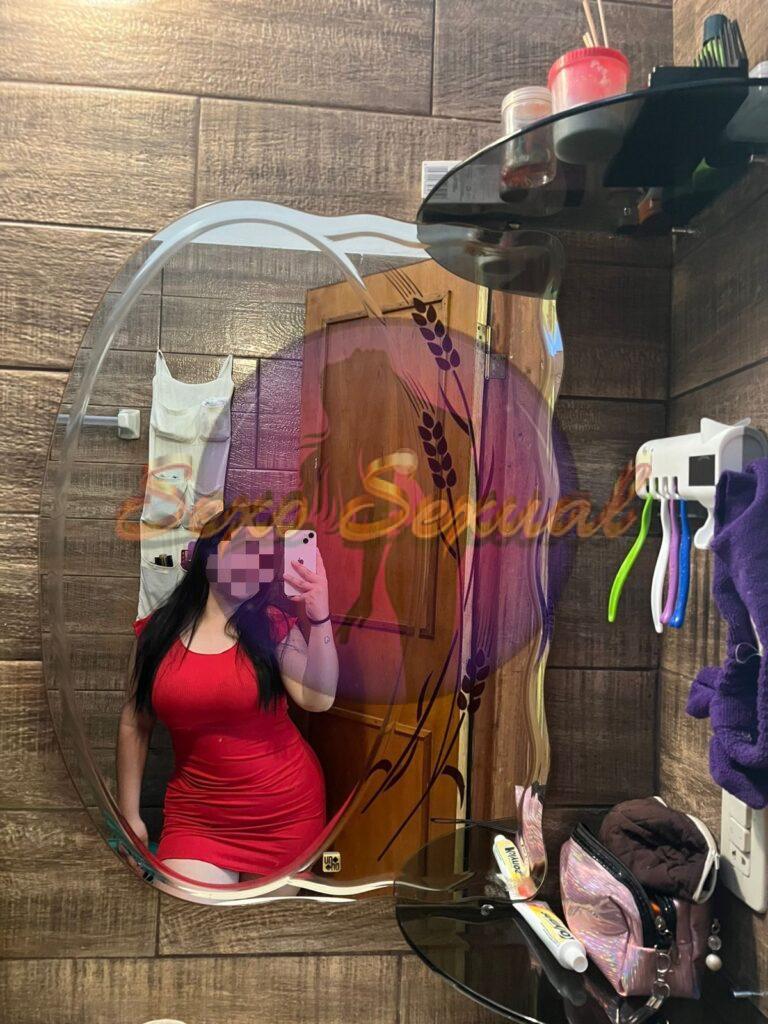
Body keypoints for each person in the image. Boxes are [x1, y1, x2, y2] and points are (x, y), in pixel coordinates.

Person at [116, 507, 338, 885]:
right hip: (197, 820)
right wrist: (130, 816)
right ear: (209, 553)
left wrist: (319, 618)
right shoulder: (157, 632)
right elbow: (135, 723)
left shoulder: (272, 625)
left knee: (262, 924)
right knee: (191, 917)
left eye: (265, 557)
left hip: (286, 816)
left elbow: (318, 699)